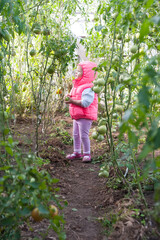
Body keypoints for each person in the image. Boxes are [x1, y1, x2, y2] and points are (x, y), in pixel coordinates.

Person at [65, 61, 98, 163]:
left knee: (83, 135)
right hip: (77, 115)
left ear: (86, 74)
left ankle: (87, 154)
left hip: (85, 116)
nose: (76, 72)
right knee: (75, 135)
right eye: (76, 70)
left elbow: (85, 103)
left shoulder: (88, 88)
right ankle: (77, 152)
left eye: (79, 71)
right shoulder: (76, 86)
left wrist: (71, 101)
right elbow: (73, 96)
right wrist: (68, 97)